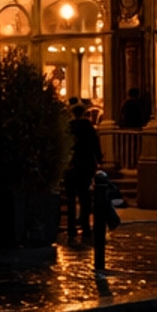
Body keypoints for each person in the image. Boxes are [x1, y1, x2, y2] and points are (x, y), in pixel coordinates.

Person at [65, 100, 102, 240]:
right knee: (84, 196)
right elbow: (95, 145)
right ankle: (85, 227)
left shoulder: (68, 127)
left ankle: (71, 227)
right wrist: (98, 160)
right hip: (86, 164)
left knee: (70, 198)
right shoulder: (89, 127)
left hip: (72, 164)